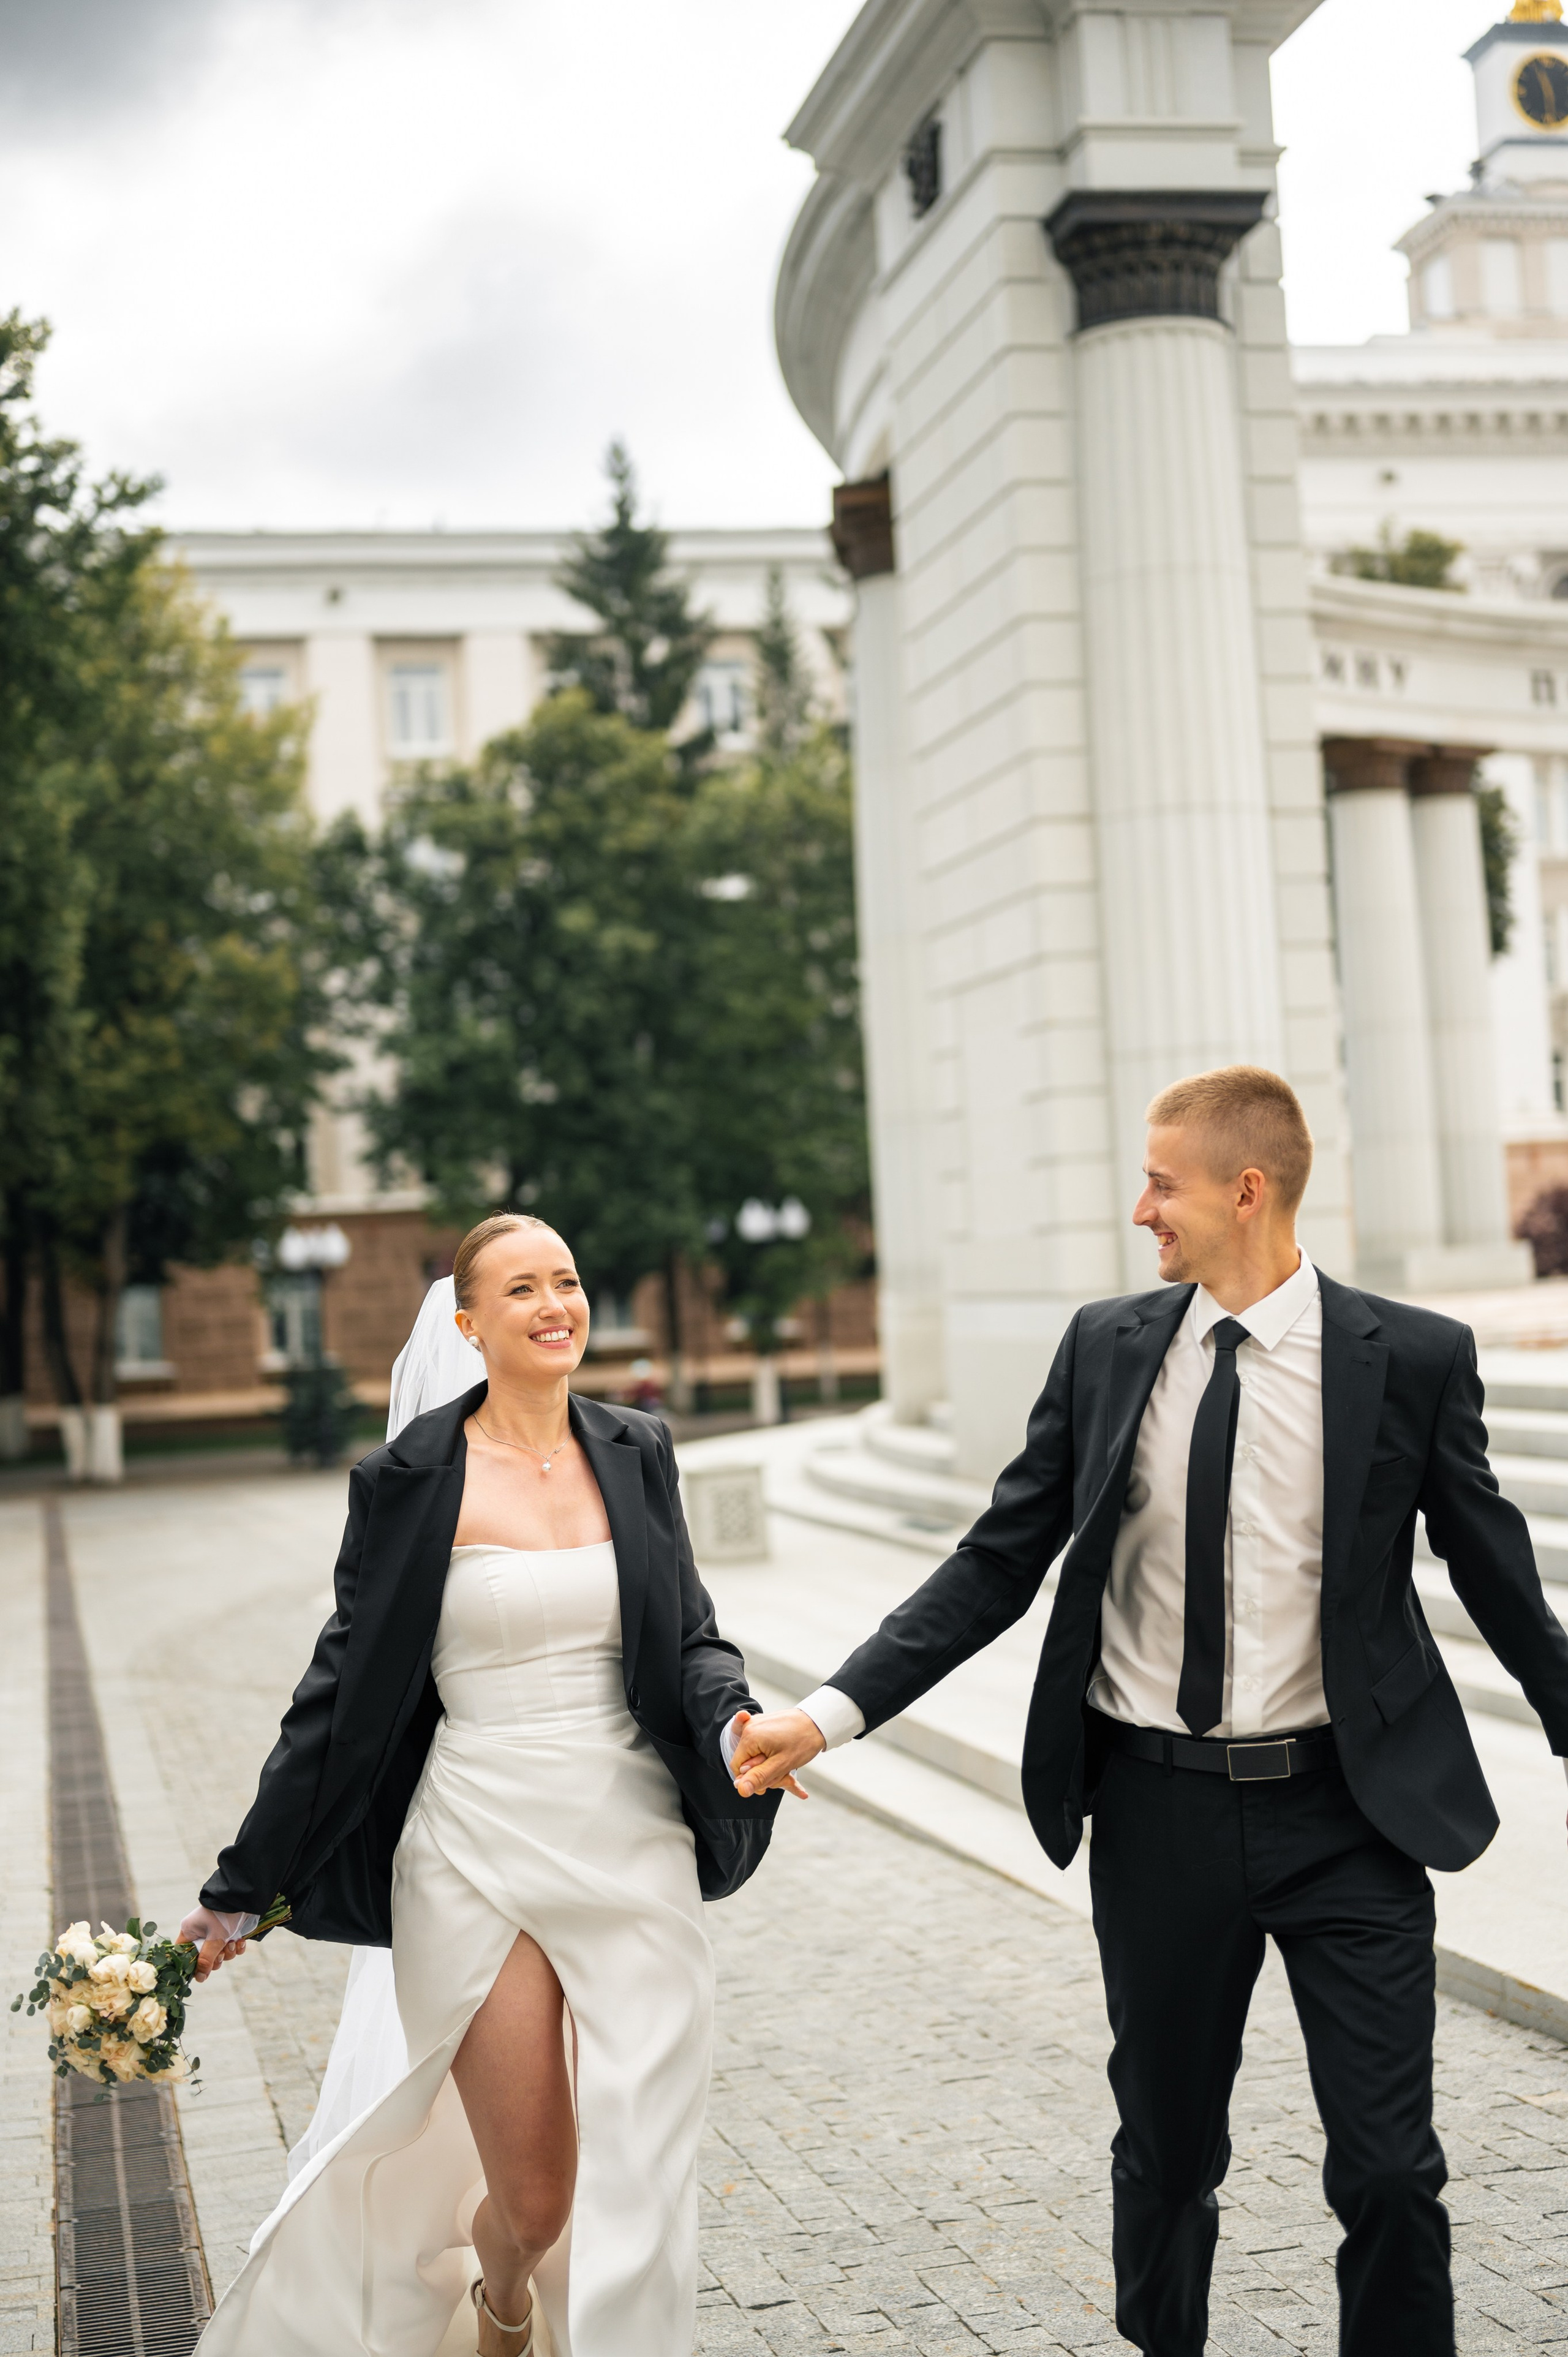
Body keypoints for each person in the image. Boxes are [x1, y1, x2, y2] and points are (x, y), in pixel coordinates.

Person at [729, 1065, 1568, 2357]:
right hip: (1154, 1815)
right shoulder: (1108, 1347)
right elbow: (995, 1558)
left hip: (1348, 1811)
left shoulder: (1404, 1357)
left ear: (1245, 1191)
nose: (1141, 1210)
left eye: (1160, 1184)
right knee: (1168, 2153)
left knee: (1391, 2169)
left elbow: (1492, 1566)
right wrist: (833, 1712)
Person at [180, 1212, 781, 2357]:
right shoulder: (407, 1482)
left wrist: (733, 1716)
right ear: (469, 1323)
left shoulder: (637, 1451)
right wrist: (239, 1887)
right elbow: (340, 1696)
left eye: (567, 1278)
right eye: (522, 1289)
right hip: (474, 1848)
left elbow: (690, 1638)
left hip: (633, 1838)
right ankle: (502, 2304)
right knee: (540, 2198)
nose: (557, 1304)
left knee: (646, 2170)